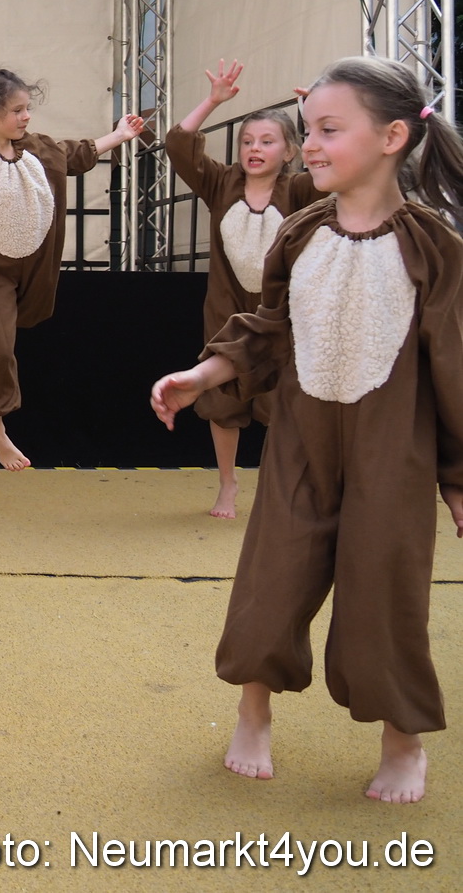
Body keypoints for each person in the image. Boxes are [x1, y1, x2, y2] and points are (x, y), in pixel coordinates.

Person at [151, 56, 463, 804]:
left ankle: (401, 737)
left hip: (394, 454)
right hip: (299, 443)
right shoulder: (299, 233)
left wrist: (456, 479)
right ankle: (252, 708)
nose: (312, 144)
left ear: (393, 136)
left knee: (384, 593)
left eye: (329, 129)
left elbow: (455, 368)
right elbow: (266, 327)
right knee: (271, 577)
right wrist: (202, 375)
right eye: (307, 130)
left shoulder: (434, 247)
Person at [164, 60, 322, 518]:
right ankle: (228, 486)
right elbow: (178, 144)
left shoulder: (301, 189)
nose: (255, 148)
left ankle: (281, 487)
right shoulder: (221, 182)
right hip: (227, 311)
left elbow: (332, 164)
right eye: (247, 142)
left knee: (285, 404)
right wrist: (213, 100)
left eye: (267, 141)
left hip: (281, 315)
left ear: (289, 151)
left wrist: (313, 119)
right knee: (223, 401)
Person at [0, 69, 144, 470]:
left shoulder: (37, 149)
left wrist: (118, 135)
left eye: (28, 108)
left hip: (32, 267)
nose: (26, 116)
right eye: (17, 110)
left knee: (11, 336)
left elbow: (76, 153)